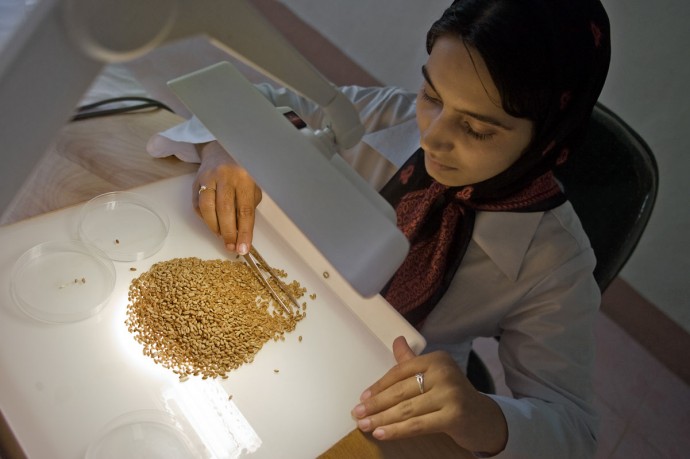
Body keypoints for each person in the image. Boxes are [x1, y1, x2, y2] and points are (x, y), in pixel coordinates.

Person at [147, 0, 611, 456]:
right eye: (432, 96)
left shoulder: (555, 262)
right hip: (271, 315)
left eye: (476, 129)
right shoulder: (382, 115)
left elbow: (574, 430)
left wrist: (482, 416)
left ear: (549, 140)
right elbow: (255, 104)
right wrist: (229, 145)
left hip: (384, 395)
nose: (432, 136)